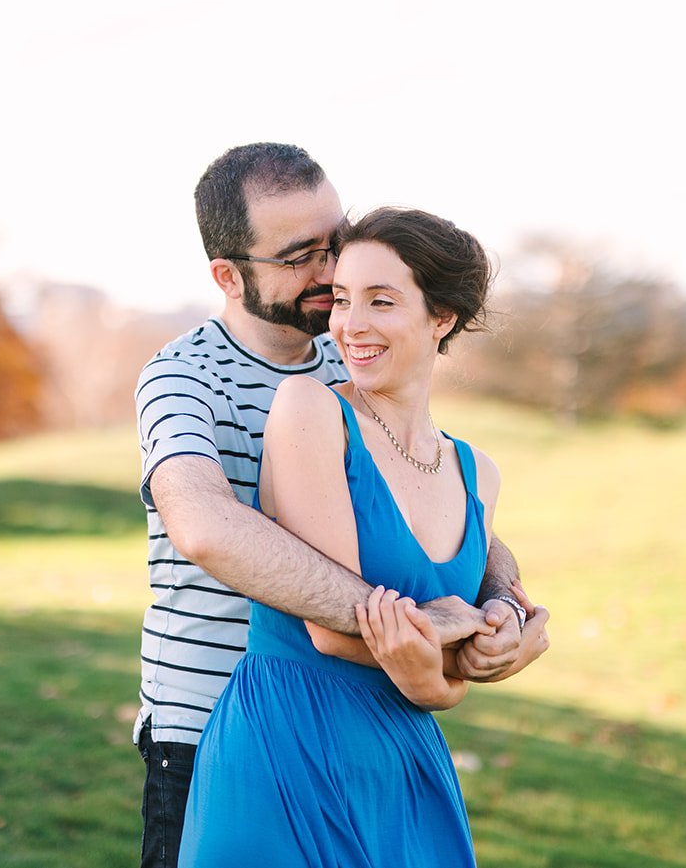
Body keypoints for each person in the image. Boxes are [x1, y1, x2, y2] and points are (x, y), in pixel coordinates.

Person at [134, 144, 549, 868]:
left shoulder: (351, 358)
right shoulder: (182, 376)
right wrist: (417, 626)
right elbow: (203, 525)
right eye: (301, 255)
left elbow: (446, 521)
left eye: (336, 241)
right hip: (205, 724)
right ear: (229, 275)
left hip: (368, 708)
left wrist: (501, 605)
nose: (332, 273)